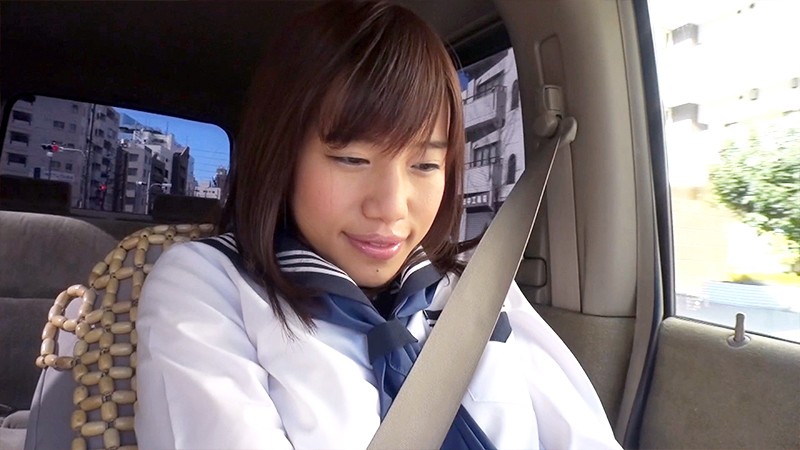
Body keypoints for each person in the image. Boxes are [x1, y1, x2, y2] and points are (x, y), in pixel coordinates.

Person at [135, 1, 622, 449]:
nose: (390, 207)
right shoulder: (207, 285)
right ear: (281, 156)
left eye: (425, 165)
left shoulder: (479, 284)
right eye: (351, 159)